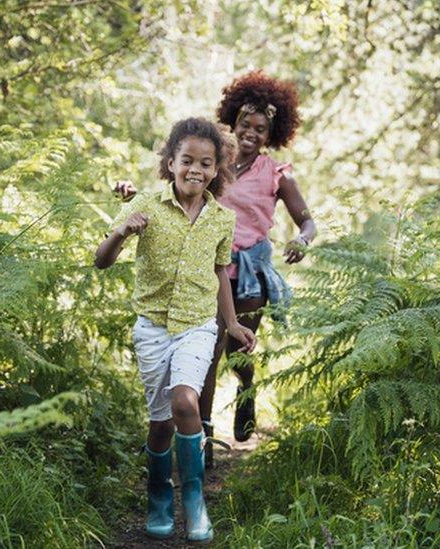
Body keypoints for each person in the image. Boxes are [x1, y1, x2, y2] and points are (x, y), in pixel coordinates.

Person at [115, 72, 316, 467]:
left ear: (271, 133)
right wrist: (133, 197)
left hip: (250, 276)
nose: (251, 134)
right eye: (245, 125)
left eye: (261, 129)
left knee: (237, 351)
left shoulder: (278, 173)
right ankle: (202, 437)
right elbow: (172, 188)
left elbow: (307, 221)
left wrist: (302, 240)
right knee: (207, 353)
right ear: (233, 123)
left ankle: (246, 391)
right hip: (206, 271)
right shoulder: (212, 161)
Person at [95, 117, 256, 542]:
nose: (195, 171)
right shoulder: (144, 205)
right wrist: (122, 233)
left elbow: (221, 273)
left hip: (198, 326)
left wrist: (233, 322)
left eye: (206, 164)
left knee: (186, 401)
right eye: (187, 161)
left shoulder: (222, 218)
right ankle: (158, 497)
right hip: (152, 328)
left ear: (216, 170)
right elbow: (102, 259)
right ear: (171, 162)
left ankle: (194, 500)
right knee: (161, 423)